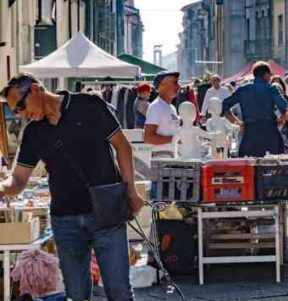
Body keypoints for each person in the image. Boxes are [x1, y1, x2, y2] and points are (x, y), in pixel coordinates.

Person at [0, 73, 145, 301]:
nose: (20, 113)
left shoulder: (88, 105)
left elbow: (123, 147)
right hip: (65, 220)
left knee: (119, 292)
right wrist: (1, 188)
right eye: (15, 111)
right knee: (77, 295)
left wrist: (131, 191)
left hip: (107, 214)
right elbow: (18, 180)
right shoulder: (33, 132)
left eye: (20, 105)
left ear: (36, 89)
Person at [221, 61, 288, 157]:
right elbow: (284, 106)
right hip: (270, 134)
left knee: (248, 167)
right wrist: (282, 119)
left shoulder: (243, 90)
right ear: (266, 75)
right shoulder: (271, 89)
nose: (270, 78)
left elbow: (225, 104)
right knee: (274, 166)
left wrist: (236, 122)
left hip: (250, 134)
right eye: (270, 75)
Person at [144, 71, 181, 157]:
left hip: (171, 156)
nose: (178, 86)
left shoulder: (172, 108)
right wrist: (174, 139)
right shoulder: (155, 107)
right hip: (161, 157)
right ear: (162, 86)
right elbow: (149, 138)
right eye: (175, 82)